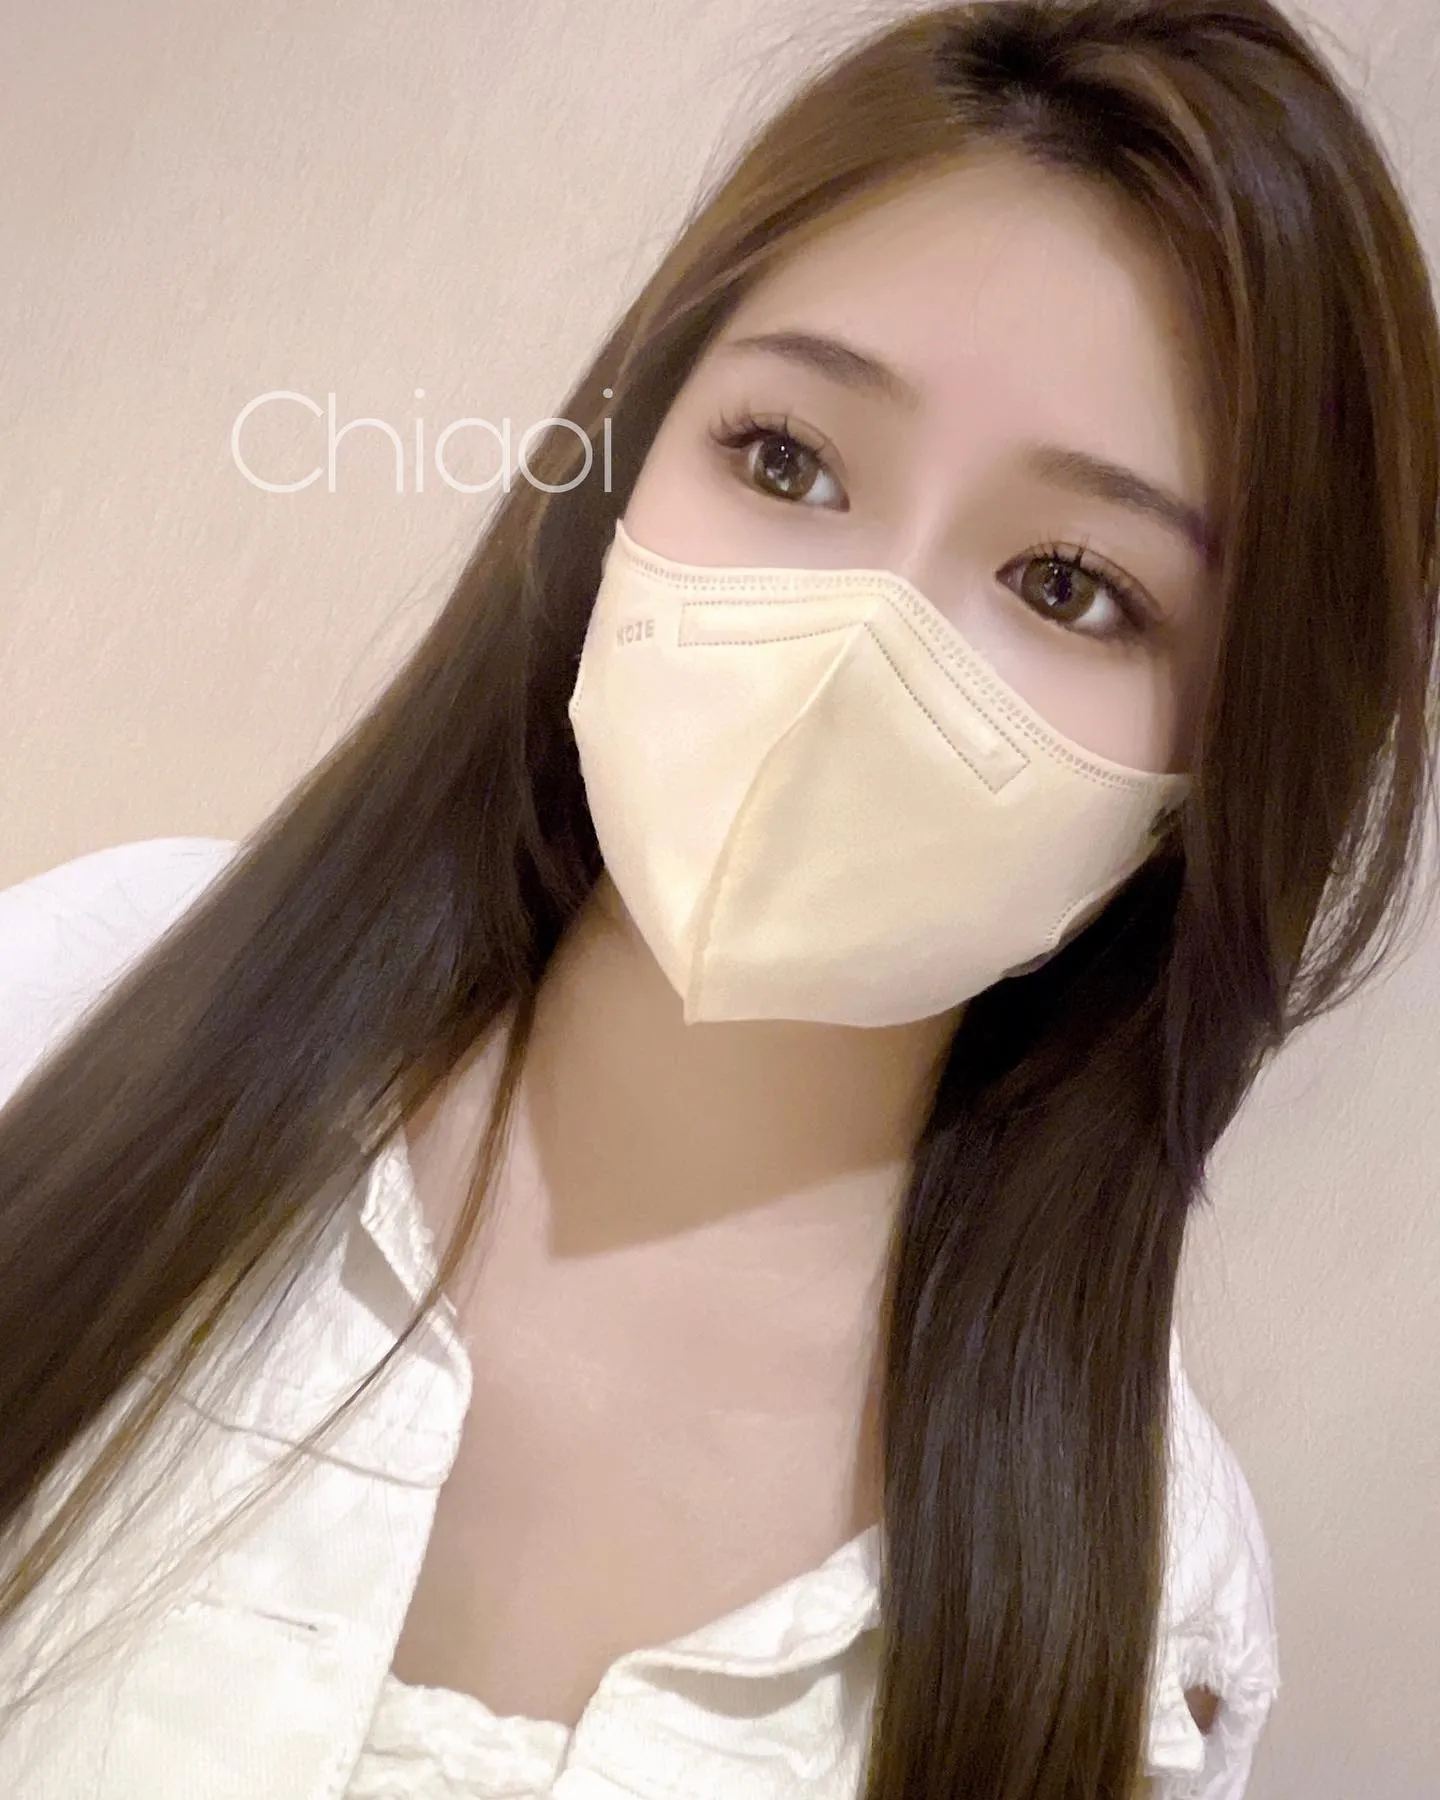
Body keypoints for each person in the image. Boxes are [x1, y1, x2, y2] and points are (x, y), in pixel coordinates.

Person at [2, 2, 1437, 1796]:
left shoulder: (1148, 1611)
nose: (858, 644)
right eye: (784, 460)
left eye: (1070, 584)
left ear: (1214, 773)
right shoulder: (78, 1011)